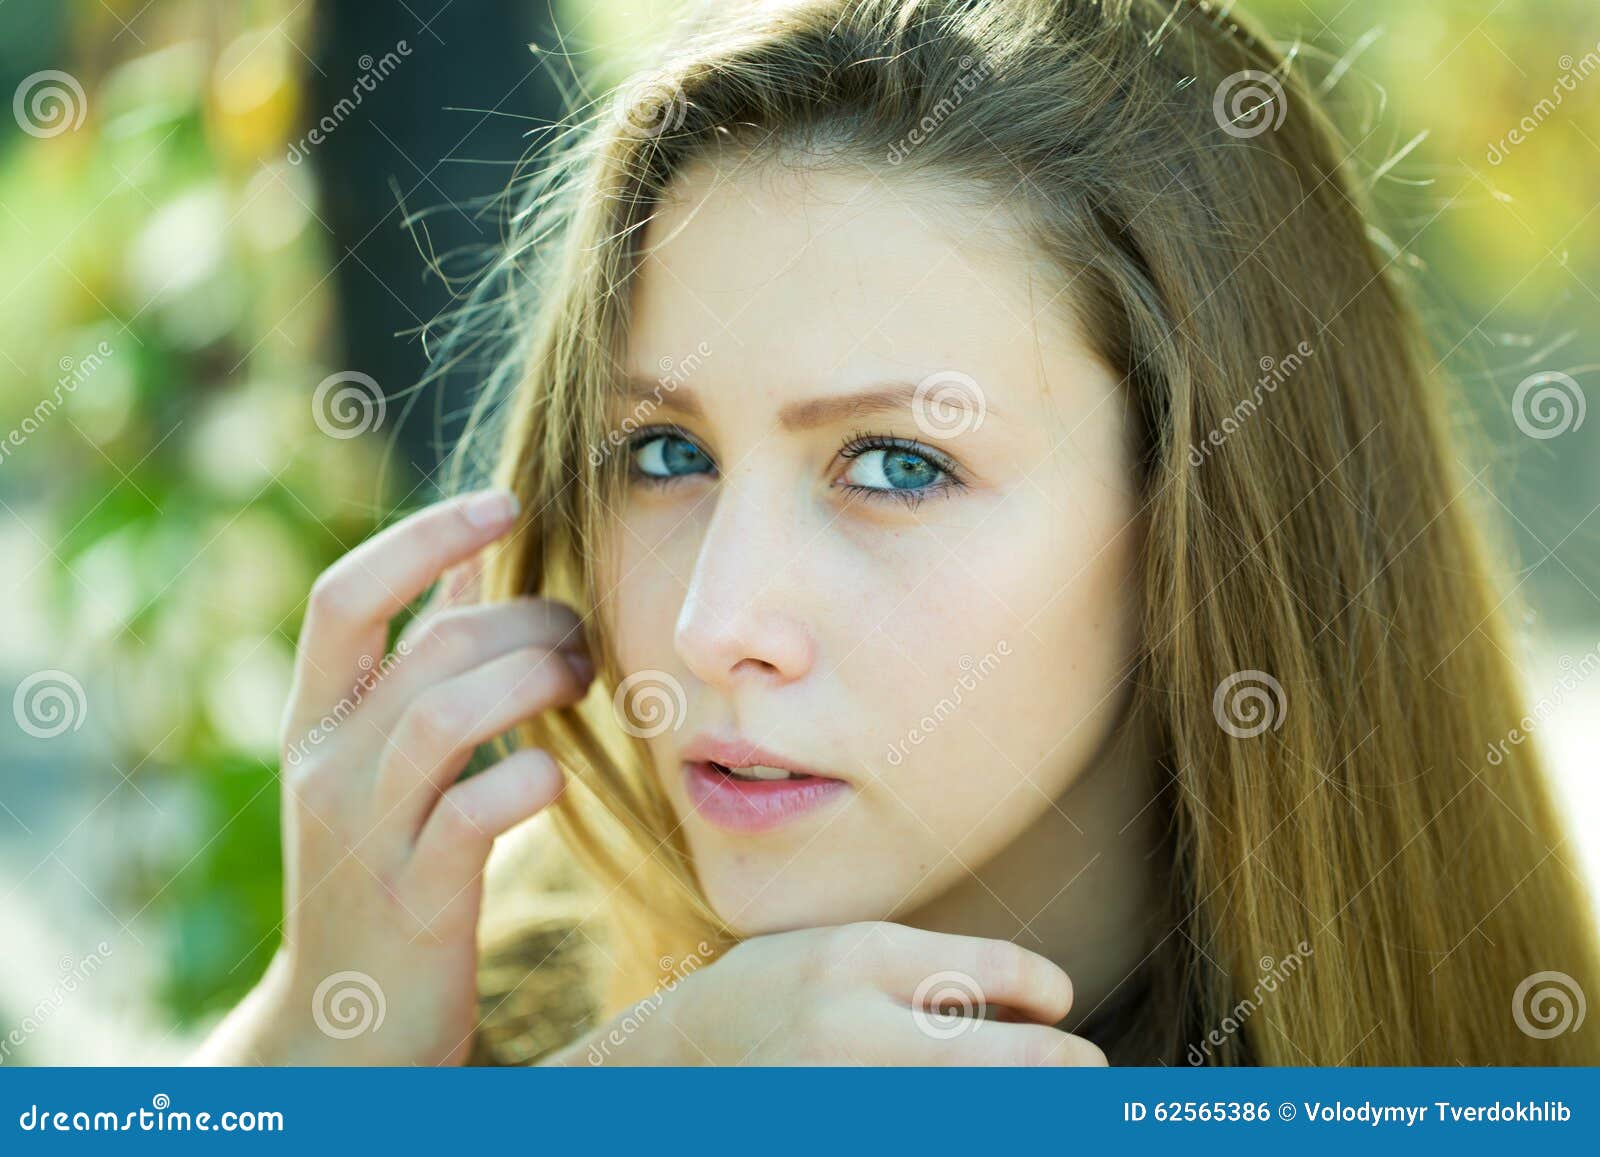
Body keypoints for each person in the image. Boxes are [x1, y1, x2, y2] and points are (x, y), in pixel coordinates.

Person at [197, 0, 1600, 1066]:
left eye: (896, 465)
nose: (713, 623)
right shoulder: (491, 997)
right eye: (664, 452)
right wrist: (318, 1039)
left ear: (1207, 513)